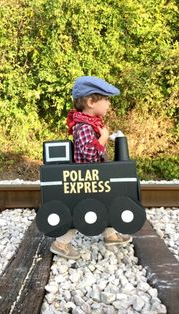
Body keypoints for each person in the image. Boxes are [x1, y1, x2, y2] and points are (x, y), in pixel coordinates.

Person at [50, 76, 132, 259]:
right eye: (106, 99)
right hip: (86, 179)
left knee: (106, 203)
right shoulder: (83, 127)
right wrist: (103, 139)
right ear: (90, 101)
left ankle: (110, 235)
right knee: (81, 211)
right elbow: (89, 155)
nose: (109, 104)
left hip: (95, 176)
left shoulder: (91, 124)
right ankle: (60, 243)